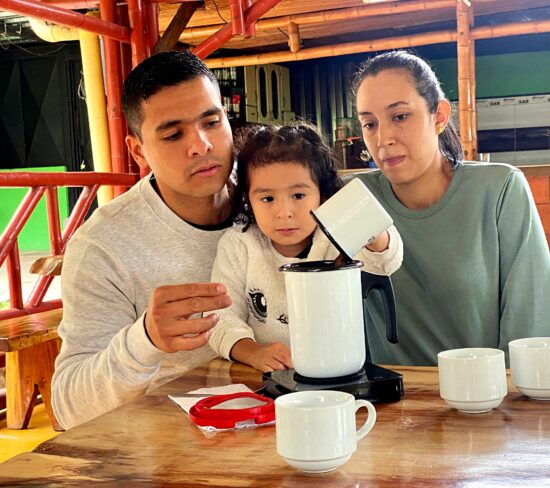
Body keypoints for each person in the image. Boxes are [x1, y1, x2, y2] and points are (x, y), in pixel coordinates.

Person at [51, 50, 235, 430]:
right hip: (168, 454)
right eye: (173, 134)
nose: (201, 145)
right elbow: (68, 406)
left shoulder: (278, 199)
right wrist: (145, 340)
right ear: (139, 151)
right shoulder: (103, 246)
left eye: (212, 122)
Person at [350, 50, 550, 366]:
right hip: (384, 406)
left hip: (486, 400)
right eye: (369, 123)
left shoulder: (499, 189)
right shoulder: (354, 199)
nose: (383, 138)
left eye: (400, 116)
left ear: (439, 116)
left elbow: (531, 322)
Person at [208, 123, 403, 372]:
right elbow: (220, 320)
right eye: (267, 198)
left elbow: (386, 261)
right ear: (247, 199)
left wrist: (372, 232)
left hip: (337, 370)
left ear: (321, 194)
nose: (284, 213)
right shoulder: (239, 244)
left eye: (298, 196)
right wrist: (254, 353)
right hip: (264, 378)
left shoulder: (334, 234)